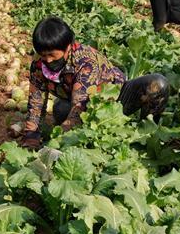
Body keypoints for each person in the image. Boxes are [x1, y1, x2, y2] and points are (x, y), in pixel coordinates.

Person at [20, 17, 170, 149]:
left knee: (157, 85)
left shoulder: (85, 62)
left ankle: (147, 134)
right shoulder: (39, 64)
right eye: (43, 55)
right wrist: (31, 134)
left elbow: (79, 108)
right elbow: (36, 101)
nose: (48, 60)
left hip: (116, 99)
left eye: (52, 55)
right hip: (85, 106)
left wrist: (58, 142)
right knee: (60, 110)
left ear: (67, 47)